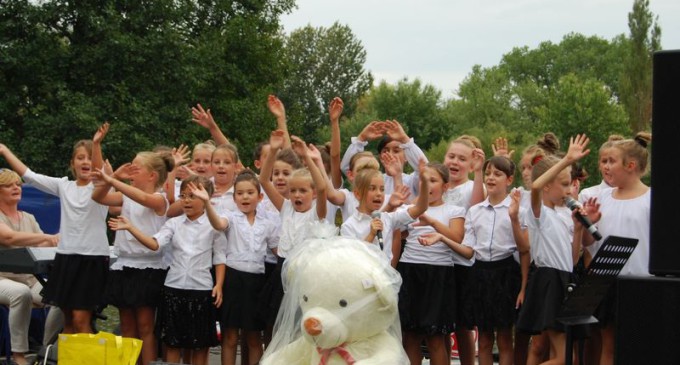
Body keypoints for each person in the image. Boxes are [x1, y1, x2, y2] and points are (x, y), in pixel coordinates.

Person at [0, 124, 110, 335]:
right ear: (72, 163)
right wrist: (5, 151)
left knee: (81, 319)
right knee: (67, 320)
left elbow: (100, 173)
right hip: (66, 259)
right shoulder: (64, 185)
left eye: (89, 157)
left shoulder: (101, 188)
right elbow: (29, 175)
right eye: (80, 157)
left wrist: (96, 144)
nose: (85, 162)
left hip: (92, 260)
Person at [109, 175, 226, 365]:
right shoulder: (173, 223)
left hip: (202, 289)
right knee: (172, 343)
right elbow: (155, 244)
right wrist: (130, 227)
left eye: (192, 196)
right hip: (174, 288)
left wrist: (219, 284)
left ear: (206, 198)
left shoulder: (214, 224)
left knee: (200, 345)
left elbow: (220, 257)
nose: (186, 200)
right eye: (183, 196)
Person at [429, 157, 529, 365]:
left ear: (509, 180)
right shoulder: (475, 211)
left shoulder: (517, 210)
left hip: (506, 272)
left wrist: (514, 218)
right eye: (489, 173)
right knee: (483, 339)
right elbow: (468, 252)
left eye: (498, 174)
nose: (492, 178)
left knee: (503, 338)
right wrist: (442, 237)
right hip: (480, 274)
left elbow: (524, 249)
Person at [91, 148, 175, 365]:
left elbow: (144, 198)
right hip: (125, 266)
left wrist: (112, 179)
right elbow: (98, 197)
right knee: (127, 326)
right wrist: (112, 179)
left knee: (146, 326)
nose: (131, 171)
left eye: (135, 168)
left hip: (149, 268)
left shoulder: (159, 199)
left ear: (152, 175)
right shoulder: (126, 195)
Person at [516, 135, 591, 365]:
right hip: (548, 280)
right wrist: (566, 160)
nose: (569, 191)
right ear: (549, 185)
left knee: (568, 356)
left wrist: (578, 230)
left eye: (570, 184)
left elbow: (571, 258)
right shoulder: (539, 214)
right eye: (565, 184)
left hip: (564, 278)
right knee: (565, 357)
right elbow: (536, 185)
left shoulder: (565, 214)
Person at [195, 170, 279, 365]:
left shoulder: (267, 224)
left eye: (250, 192)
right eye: (240, 193)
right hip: (233, 280)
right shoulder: (230, 217)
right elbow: (218, 224)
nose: (245, 197)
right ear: (234, 198)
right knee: (230, 336)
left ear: (259, 197)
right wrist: (207, 203)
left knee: (253, 337)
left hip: (256, 282)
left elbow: (278, 251)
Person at [583, 133, 652, 365]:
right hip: (607, 283)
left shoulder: (652, 199)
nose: (605, 167)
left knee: (640, 346)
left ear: (630, 165)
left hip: (642, 283)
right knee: (608, 346)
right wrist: (587, 224)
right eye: (604, 162)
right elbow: (587, 244)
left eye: (611, 161)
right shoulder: (599, 198)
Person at [395, 163, 465, 365]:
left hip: (439, 274)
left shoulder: (454, 210)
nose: (427, 184)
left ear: (445, 186)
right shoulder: (408, 209)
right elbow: (396, 233)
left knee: (435, 337)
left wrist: (432, 222)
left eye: (433, 180)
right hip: (410, 269)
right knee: (410, 335)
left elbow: (457, 237)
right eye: (424, 180)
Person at [258, 131, 327, 327]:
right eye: (293, 190)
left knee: (300, 325)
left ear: (312, 194)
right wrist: (272, 151)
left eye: (303, 190)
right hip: (282, 270)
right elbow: (264, 181)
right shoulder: (286, 207)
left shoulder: (316, 213)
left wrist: (306, 156)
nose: (297, 194)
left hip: (305, 273)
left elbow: (322, 188)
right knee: (275, 325)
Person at [0, 169, 63, 365]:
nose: (16, 188)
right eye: (9, 185)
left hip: (30, 279)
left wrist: (54, 240)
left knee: (62, 294)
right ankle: (19, 354)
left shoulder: (29, 217)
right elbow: (9, 237)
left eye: (18, 184)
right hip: (3, 279)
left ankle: (45, 349)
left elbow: (43, 246)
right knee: (21, 293)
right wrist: (47, 237)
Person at [441, 134, 486, 365]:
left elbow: (478, 207)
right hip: (439, 262)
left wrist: (479, 173)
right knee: (442, 325)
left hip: (462, 263)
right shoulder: (439, 186)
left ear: (471, 164)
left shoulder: (472, 187)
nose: (454, 162)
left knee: (462, 324)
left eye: (461, 158)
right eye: (451, 156)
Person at [340, 159, 429, 266]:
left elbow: (420, 208)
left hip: (384, 277)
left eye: (382, 189)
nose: (379, 194)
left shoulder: (388, 218)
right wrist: (371, 234)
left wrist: (424, 183)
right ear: (358, 194)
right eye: (372, 189)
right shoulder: (349, 225)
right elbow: (352, 258)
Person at [340, 120, 428, 196]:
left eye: (396, 151)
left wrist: (405, 139)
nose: (391, 154)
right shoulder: (373, 180)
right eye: (385, 151)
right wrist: (361, 139)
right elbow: (348, 168)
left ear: (406, 157)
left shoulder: (412, 181)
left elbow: (425, 169)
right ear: (380, 158)